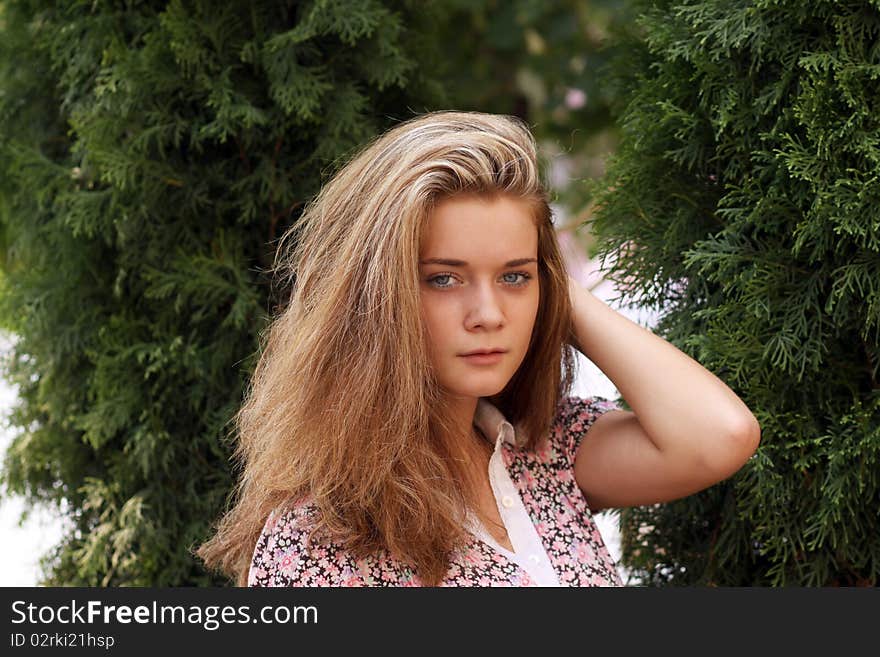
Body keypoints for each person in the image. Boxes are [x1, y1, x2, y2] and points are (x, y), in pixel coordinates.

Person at [195, 110, 761, 587]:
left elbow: (719, 435)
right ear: (370, 297)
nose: (489, 315)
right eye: (444, 278)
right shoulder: (319, 539)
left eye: (514, 279)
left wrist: (553, 289)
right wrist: (517, 270)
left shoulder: (541, 451)